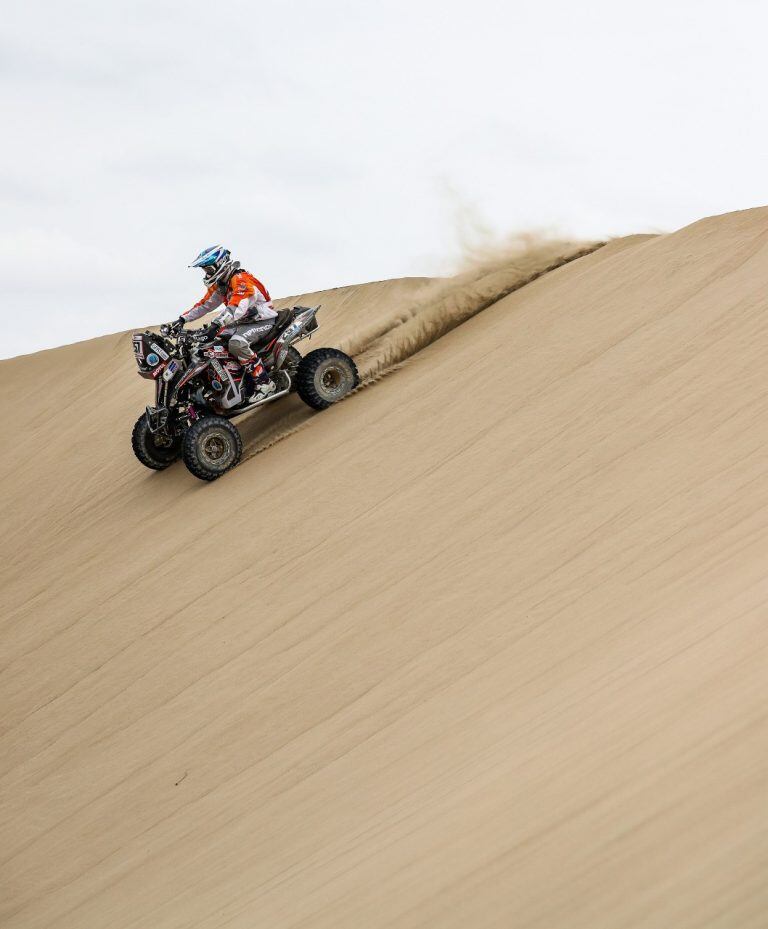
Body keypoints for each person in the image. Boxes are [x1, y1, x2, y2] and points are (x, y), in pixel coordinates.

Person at [170, 245, 277, 401]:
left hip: (262, 320)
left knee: (236, 343)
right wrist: (182, 319)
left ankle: (264, 383)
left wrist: (216, 324)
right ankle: (235, 379)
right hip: (243, 322)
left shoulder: (240, 279)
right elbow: (205, 304)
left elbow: (236, 307)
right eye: (205, 271)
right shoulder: (222, 284)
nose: (207, 274)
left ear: (220, 264)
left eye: (208, 269)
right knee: (211, 343)